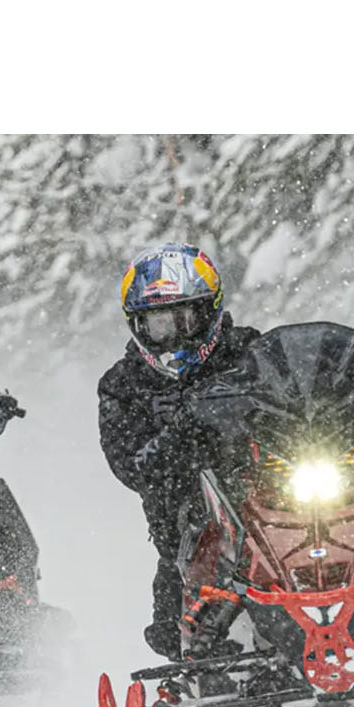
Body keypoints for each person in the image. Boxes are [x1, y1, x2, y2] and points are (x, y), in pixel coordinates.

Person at [96, 242, 262, 660]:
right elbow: (131, 466)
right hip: (191, 526)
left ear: (209, 312)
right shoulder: (124, 385)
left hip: (275, 494)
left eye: (185, 319)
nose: (173, 335)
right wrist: (186, 432)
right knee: (173, 627)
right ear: (139, 326)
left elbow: (296, 383)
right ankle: (204, 652)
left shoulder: (251, 354)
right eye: (159, 325)